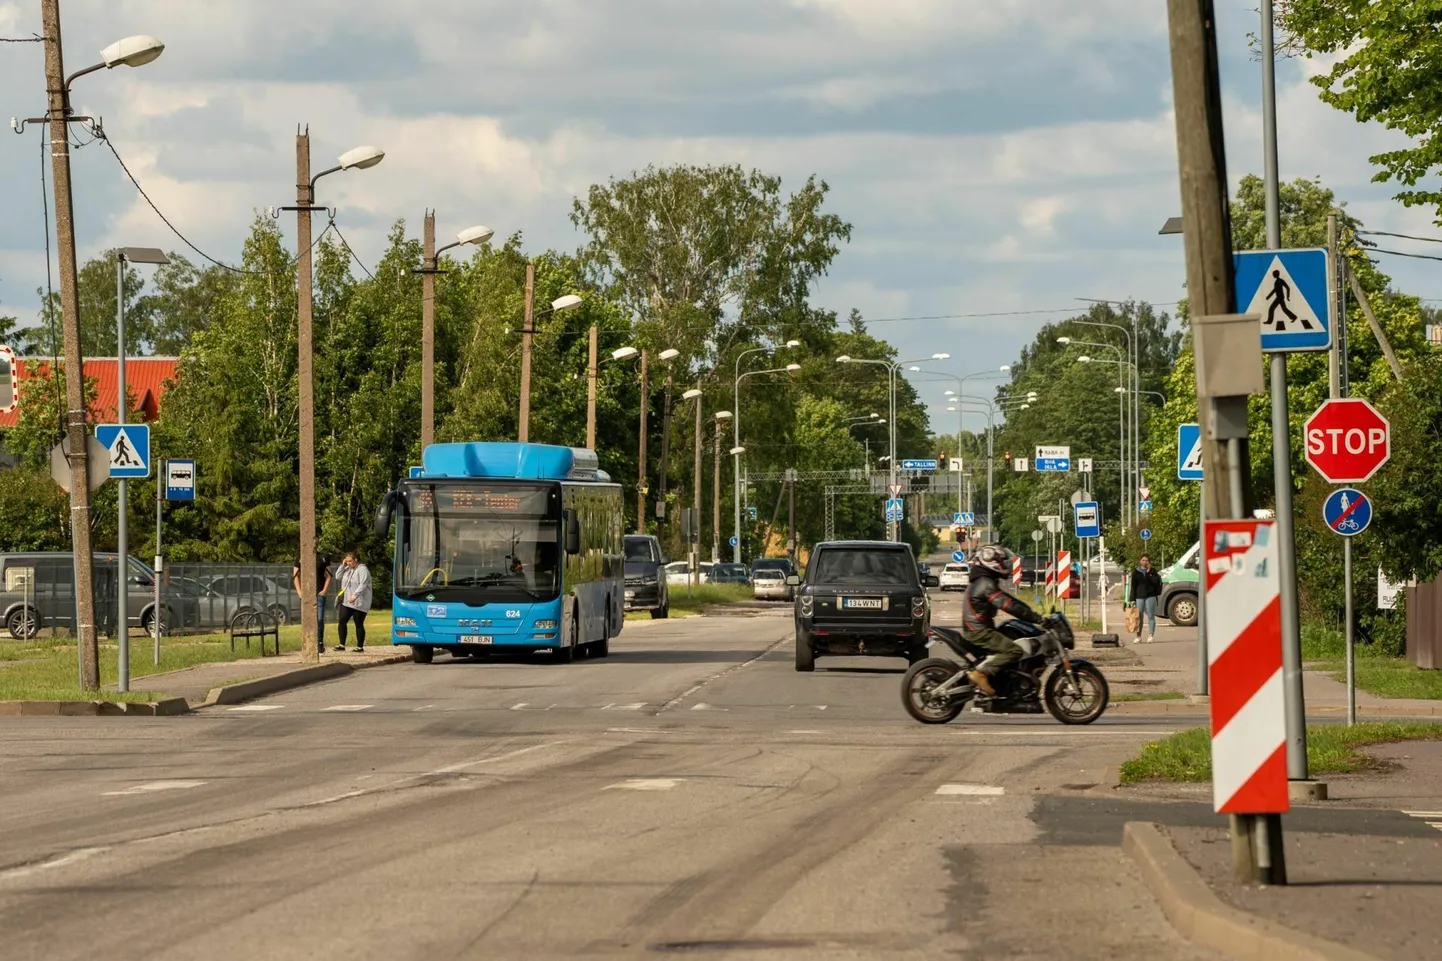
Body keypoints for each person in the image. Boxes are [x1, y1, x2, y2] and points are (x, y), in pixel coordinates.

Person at [963, 544, 1046, 697]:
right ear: (989, 562)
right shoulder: (985, 584)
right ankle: (981, 673)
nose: (1003, 564)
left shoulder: (984, 581)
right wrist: (1036, 618)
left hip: (979, 628)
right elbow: (1008, 605)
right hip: (980, 632)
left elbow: (1010, 601)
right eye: (1000, 561)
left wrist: (1031, 613)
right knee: (1014, 650)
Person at [292, 552, 334, 653]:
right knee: (307, 619)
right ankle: (308, 643)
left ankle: (319, 642)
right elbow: (295, 576)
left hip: (319, 592)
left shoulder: (323, 557)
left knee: (319, 619)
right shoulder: (301, 556)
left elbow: (329, 575)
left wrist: (324, 591)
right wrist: (300, 592)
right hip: (306, 594)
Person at [335, 551, 372, 652]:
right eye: (346, 561)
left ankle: (359, 646)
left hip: (359, 602)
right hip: (346, 601)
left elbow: (363, 585)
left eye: (350, 561)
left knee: (358, 623)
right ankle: (341, 644)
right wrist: (342, 566)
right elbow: (337, 576)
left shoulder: (362, 569)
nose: (348, 563)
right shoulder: (347, 568)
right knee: (342, 620)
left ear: (356, 560)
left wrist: (355, 596)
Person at [1127, 554, 1163, 644]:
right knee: (1139, 617)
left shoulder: (1152, 571)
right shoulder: (1136, 572)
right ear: (1140, 561)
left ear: (1149, 562)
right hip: (1139, 597)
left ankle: (1151, 635)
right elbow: (1133, 586)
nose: (1144, 562)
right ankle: (1138, 637)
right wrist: (1132, 599)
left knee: (1151, 615)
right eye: (1143, 560)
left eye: (1146, 560)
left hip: (1150, 596)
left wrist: (1149, 572)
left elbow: (1155, 582)